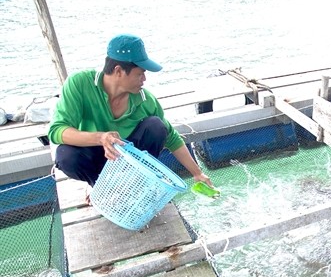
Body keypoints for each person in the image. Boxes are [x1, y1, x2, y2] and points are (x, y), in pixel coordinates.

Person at [48, 34, 213, 190]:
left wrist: (197, 173)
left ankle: (137, 183)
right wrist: (101, 138)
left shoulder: (145, 100)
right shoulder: (80, 83)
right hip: (94, 153)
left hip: (129, 159)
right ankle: (99, 187)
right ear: (118, 71)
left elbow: (172, 138)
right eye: (140, 74)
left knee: (156, 126)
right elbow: (56, 131)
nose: (144, 79)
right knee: (66, 155)